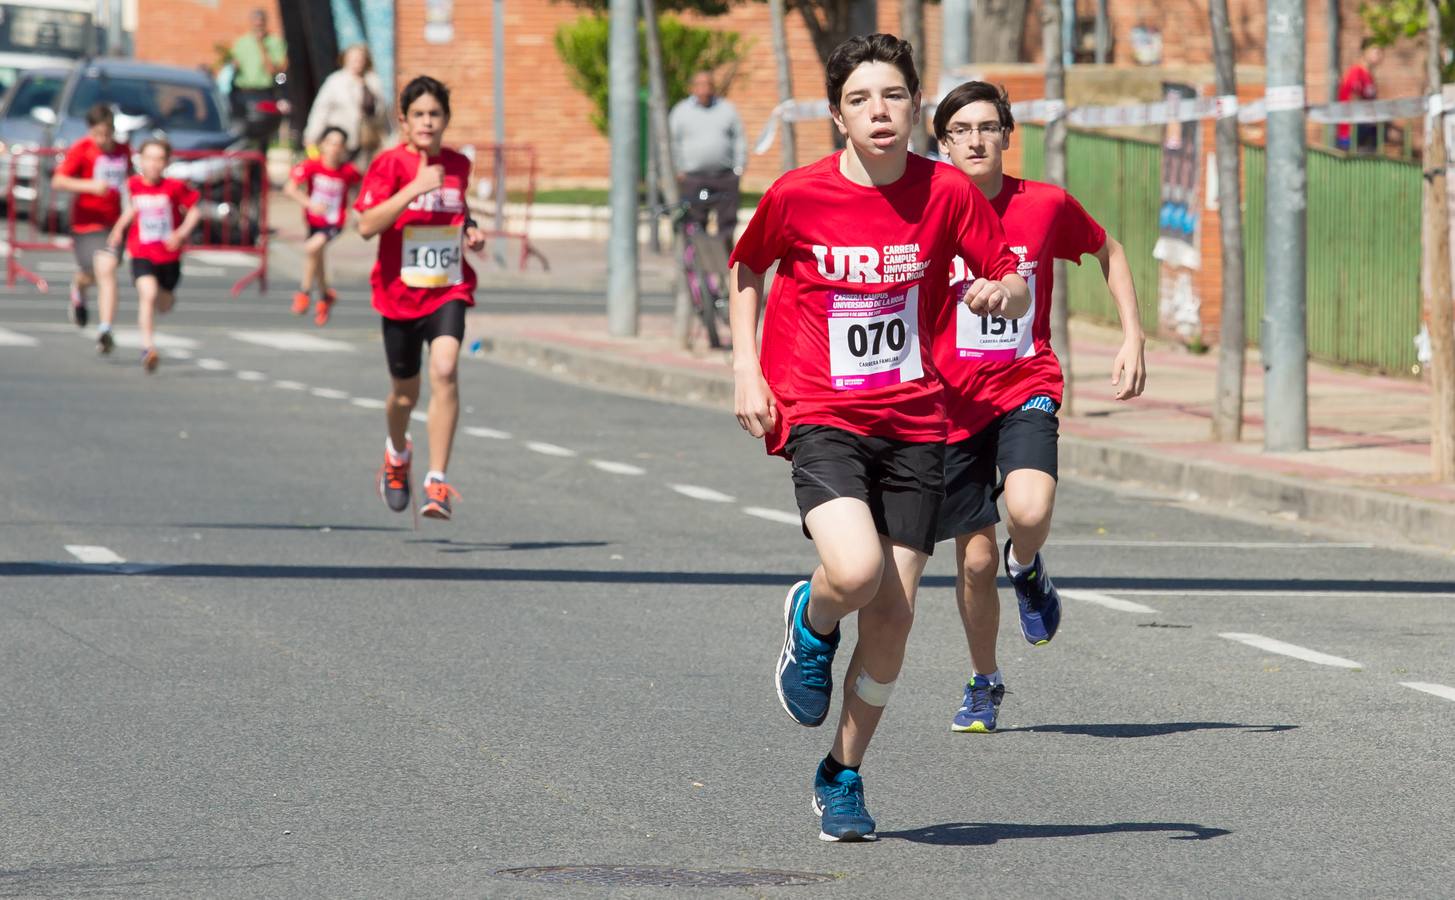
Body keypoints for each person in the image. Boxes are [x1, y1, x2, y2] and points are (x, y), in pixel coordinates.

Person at [729, 35, 1028, 842]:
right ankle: (811, 619)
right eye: (860, 100)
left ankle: (841, 774)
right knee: (854, 572)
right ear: (837, 117)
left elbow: (1003, 269)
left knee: (892, 620)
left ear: (913, 106)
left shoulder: (947, 192)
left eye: (892, 96)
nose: (879, 113)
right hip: (820, 410)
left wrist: (1000, 293)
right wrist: (743, 372)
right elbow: (748, 268)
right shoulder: (798, 195)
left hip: (914, 420)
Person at [931, 81, 1147, 733]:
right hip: (949, 401)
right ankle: (984, 680)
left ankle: (1024, 565)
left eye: (987, 127)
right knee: (971, 560)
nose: (975, 139)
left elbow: (1107, 249)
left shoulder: (1043, 204)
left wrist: (1132, 334)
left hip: (1024, 381)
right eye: (960, 130)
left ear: (1006, 134)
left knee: (1028, 508)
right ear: (941, 143)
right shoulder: (921, 212)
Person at [355, 76, 485, 521]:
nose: (427, 122)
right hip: (398, 296)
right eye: (419, 115)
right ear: (404, 121)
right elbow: (367, 225)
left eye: (435, 114)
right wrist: (414, 188)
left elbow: (457, 207)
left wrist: (470, 229)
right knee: (404, 395)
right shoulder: (389, 165)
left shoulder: (457, 165)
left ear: (445, 119)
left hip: (448, 287)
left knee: (445, 369)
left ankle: (437, 480)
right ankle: (396, 453)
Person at [107, 138, 202, 374]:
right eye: (149, 158)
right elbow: (132, 208)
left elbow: (194, 211)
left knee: (164, 303)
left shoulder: (174, 187)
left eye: (159, 159)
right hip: (142, 252)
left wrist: (181, 233)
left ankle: (166, 296)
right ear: (141, 160)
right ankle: (148, 347)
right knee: (147, 294)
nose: (153, 164)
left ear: (167, 162)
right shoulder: (133, 185)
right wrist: (118, 229)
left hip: (169, 255)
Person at [49, 103, 129, 351]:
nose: (103, 140)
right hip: (86, 224)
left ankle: (105, 328)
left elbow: (131, 180)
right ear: (90, 131)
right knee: (90, 274)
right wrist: (90, 187)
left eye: (107, 134)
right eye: (98, 135)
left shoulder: (123, 151)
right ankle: (79, 289)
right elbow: (58, 181)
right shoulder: (82, 149)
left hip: (114, 223)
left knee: (107, 270)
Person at [285, 126, 362, 325]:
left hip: (334, 222)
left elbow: (361, 189)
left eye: (339, 144)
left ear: (344, 149)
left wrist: (355, 210)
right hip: (313, 220)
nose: (334, 148)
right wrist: (310, 204)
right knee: (316, 256)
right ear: (322, 145)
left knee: (312, 248)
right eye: (331, 143)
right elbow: (290, 188)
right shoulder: (312, 166)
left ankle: (304, 292)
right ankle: (325, 295)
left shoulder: (348, 171)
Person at [669, 69, 746, 252]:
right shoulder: (681, 111)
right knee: (696, 221)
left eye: (708, 84)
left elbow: (739, 138)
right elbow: (672, 141)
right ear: (692, 88)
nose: (704, 89)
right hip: (694, 178)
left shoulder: (727, 109)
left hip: (724, 177)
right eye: (700, 85)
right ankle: (698, 266)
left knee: (727, 221)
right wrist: (678, 169)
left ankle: (727, 261)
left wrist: (739, 167)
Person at [304, 44, 389, 165]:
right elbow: (320, 110)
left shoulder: (373, 81)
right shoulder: (335, 81)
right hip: (341, 142)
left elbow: (383, 113)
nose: (357, 62)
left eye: (360, 58)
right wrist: (311, 136)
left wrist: (388, 138)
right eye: (353, 58)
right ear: (345, 59)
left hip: (367, 142)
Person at [230, 9, 288, 120]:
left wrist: (262, 46)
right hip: (244, 91)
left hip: (265, 92)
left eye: (260, 25)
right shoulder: (242, 42)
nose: (258, 28)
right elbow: (235, 66)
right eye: (255, 25)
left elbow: (276, 72)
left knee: (265, 123)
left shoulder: (274, 42)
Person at [1337, 38, 1384, 153]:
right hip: (1352, 131)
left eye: (1381, 52)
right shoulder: (1356, 73)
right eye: (1375, 51)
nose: (1380, 55)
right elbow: (1354, 98)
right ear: (1365, 51)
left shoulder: (1368, 75)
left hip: (1366, 129)